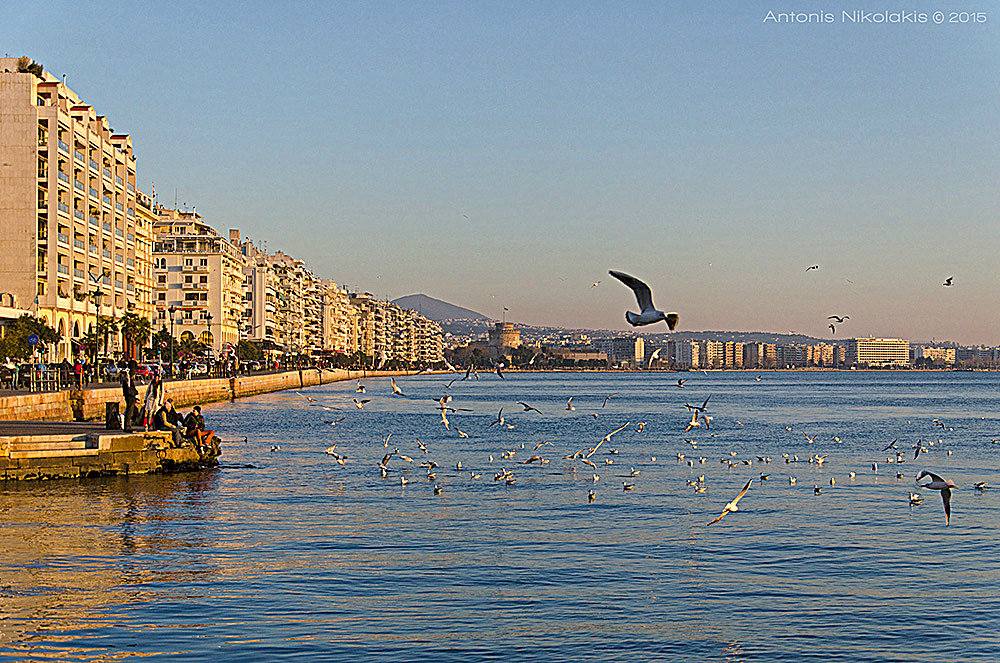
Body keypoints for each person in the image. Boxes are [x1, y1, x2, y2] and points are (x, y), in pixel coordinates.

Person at [120, 366, 138, 432]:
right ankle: (127, 426)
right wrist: (134, 393)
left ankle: (128, 425)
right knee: (129, 412)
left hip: (130, 397)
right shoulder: (128, 381)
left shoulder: (129, 380)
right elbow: (129, 389)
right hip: (129, 397)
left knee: (130, 412)